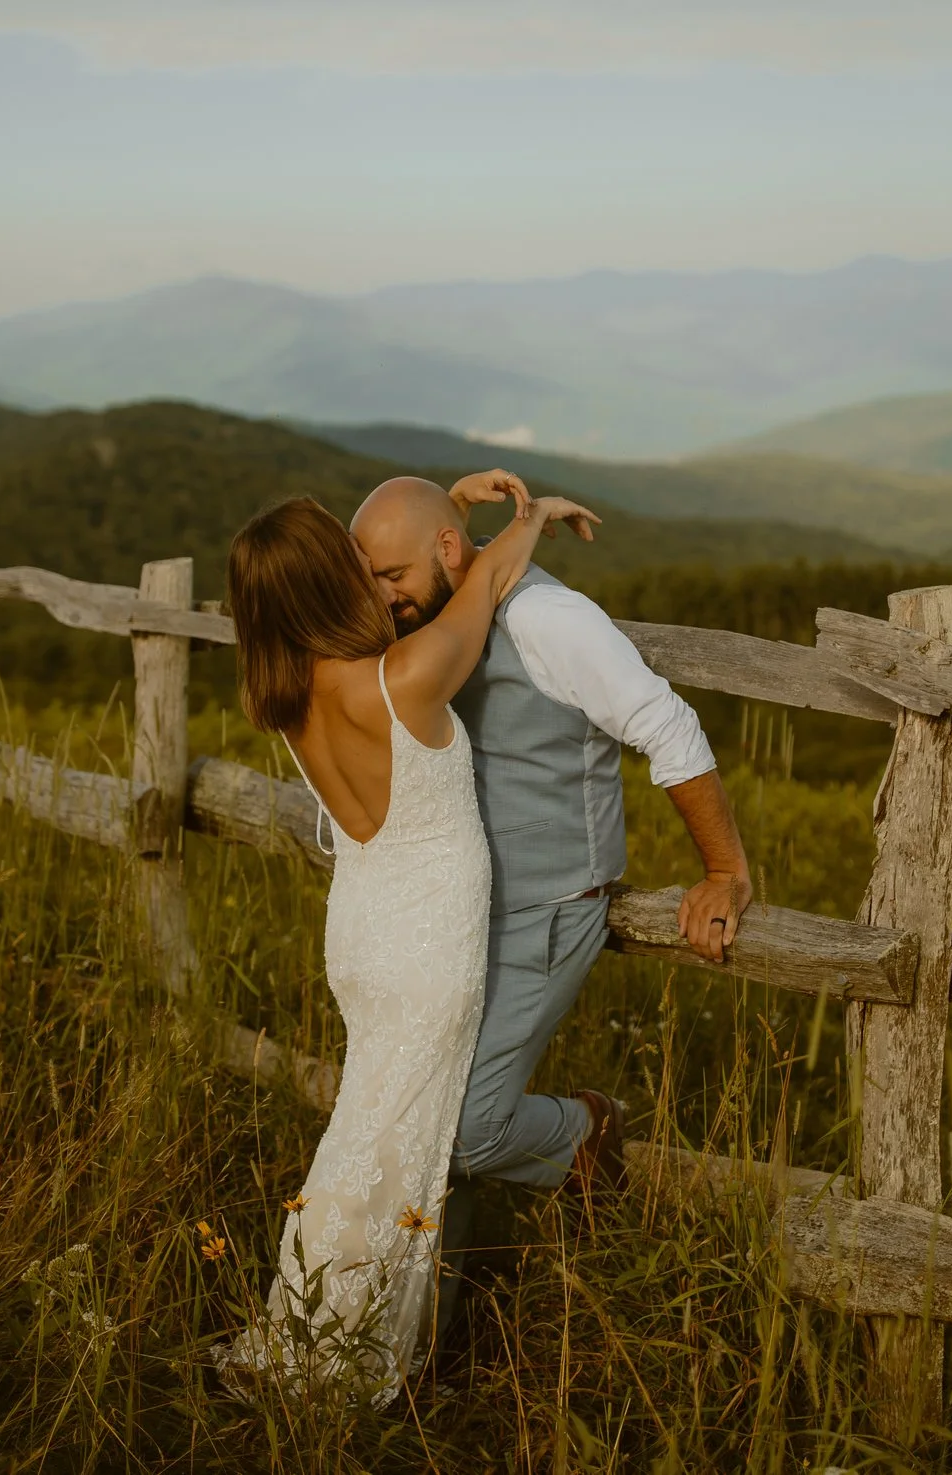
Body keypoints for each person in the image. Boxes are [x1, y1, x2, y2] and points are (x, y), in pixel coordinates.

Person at [217, 486, 603, 1403]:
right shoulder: (405, 676)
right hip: (429, 946)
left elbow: (401, 563)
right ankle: (356, 1357)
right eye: (351, 563)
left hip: (359, 936)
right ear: (333, 580)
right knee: (408, 1147)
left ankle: (313, 1327)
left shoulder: (291, 696)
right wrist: (530, 516)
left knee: (368, 1136)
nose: (368, 573)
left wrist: (442, 492)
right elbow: (487, 575)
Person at [349, 470, 751, 1324]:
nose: (384, 601)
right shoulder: (445, 598)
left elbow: (668, 726)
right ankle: (433, 1331)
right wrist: (453, 511)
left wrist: (723, 871)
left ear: (450, 554)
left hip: (550, 904)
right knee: (423, 1121)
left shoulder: (548, 619)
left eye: (391, 579)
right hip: (458, 912)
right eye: (373, 580)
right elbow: (436, 559)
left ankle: (588, 1134)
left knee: (461, 1129)